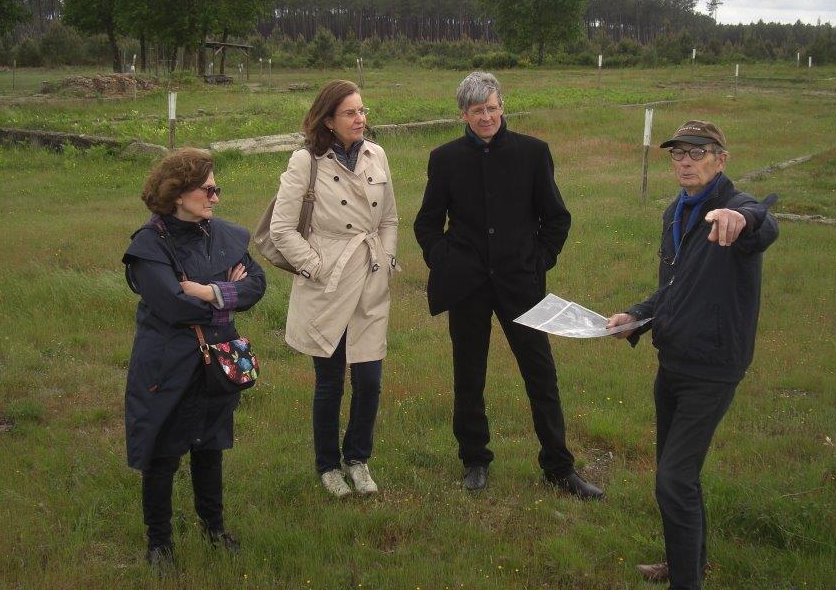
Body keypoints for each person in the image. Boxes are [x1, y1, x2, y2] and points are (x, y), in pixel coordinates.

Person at [413, 71, 603, 499]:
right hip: (468, 287)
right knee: (469, 375)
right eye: (478, 110)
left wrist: (538, 262)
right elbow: (427, 223)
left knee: (541, 375)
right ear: (463, 113)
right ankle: (475, 459)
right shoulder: (444, 159)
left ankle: (559, 467)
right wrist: (445, 260)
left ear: (503, 106)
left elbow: (557, 217)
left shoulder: (533, 154)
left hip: (522, 285)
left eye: (493, 108)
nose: (487, 117)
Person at [605, 120, 779, 589]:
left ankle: (687, 582)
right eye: (678, 153)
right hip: (675, 361)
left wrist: (743, 218)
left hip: (713, 366)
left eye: (697, 153)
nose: (685, 161)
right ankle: (686, 565)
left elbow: (762, 222)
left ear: (721, 159)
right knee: (678, 475)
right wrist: (636, 316)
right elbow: (673, 289)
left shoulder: (730, 209)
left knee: (674, 480)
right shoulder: (675, 212)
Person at [122, 148, 267, 568]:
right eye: (208, 189)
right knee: (163, 453)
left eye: (216, 189)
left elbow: (257, 284)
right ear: (178, 193)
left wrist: (208, 291)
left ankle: (214, 528)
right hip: (166, 365)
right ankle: (159, 544)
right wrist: (225, 293)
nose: (215, 198)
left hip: (217, 359)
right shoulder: (148, 245)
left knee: (210, 446)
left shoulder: (222, 234)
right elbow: (170, 304)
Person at [270, 79, 399, 498]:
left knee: (370, 379)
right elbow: (282, 228)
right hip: (327, 285)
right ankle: (327, 466)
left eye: (363, 111)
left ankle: (358, 459)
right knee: (330, 382)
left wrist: (386, 260)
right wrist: (315, 267)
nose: (360, 119)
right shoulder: (305, 163)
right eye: (350, 113)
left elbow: (390, 219)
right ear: (328, 119)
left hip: (370, 279)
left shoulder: (376, 154)